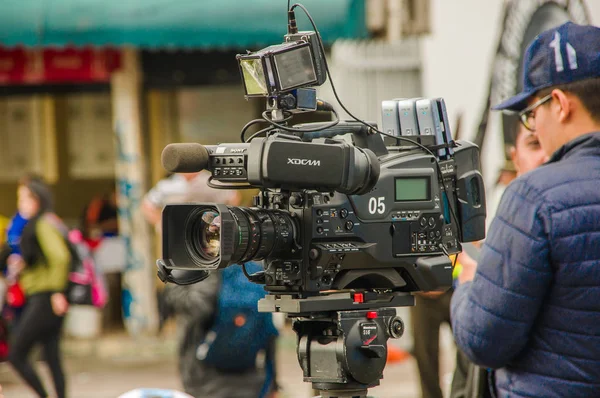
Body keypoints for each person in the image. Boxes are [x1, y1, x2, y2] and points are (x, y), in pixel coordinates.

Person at [451, 22, 600, 397]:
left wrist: (468, 283)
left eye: (532, 114)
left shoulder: (534, 197)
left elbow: (483, 341)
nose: (534, 125)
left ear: (561, 105)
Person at [143, 170, 278, 398]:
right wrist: (273, 382)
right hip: (252, 375)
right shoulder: (249, 254)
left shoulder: (195, 260)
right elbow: (268, 323)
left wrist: (172, 285)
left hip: (206, 376)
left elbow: (199, 306)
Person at [449, 123, 548, 398]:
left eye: (545, 143)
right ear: (515, 156)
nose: (543, 157)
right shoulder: (491, 197)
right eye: (533, 145)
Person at [7, 179, 70, 398]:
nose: (21, 204)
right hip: (42, 294)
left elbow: (60, 258)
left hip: (46, 296)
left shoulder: (43, 224)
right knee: (51, 355)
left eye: (24, 198)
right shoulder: (33, 225)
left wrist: (56, 292)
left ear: (37, 200)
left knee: (16, 353)